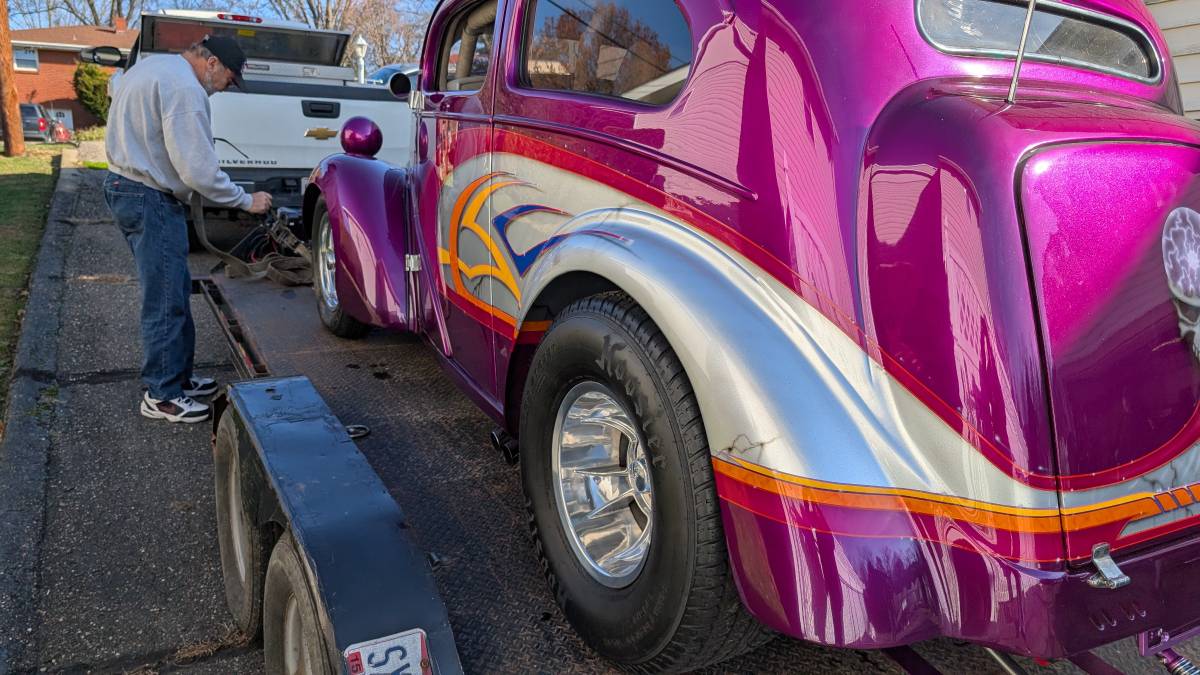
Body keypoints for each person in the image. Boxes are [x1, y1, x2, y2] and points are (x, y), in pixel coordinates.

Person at [104, 36, 272, 423]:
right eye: (229, 79)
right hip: (149, 195)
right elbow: (199, 171)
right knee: (165, 298)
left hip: (128, 186)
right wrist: (246, 200)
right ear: (211, 63)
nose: (225, 88)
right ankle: (162, 396)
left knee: (174, 289)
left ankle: (177, 379)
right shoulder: (185, 90)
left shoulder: (155, 67)